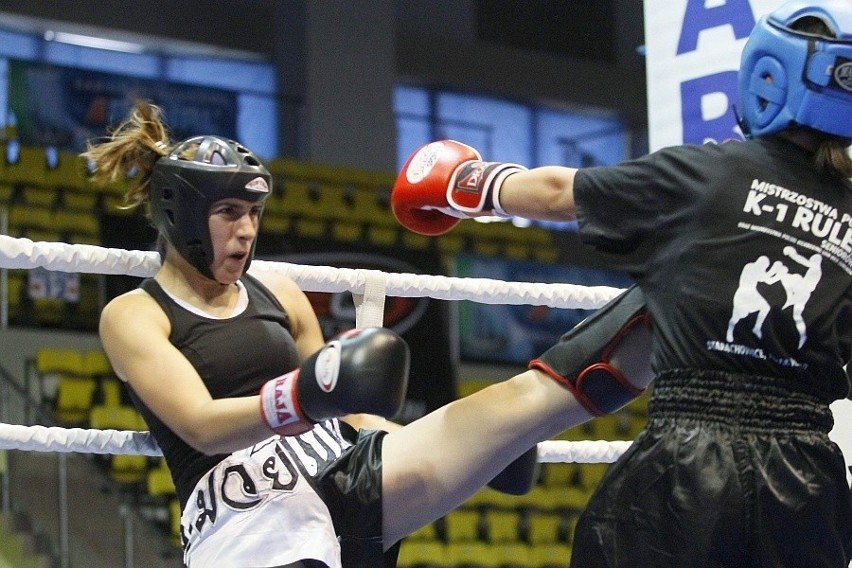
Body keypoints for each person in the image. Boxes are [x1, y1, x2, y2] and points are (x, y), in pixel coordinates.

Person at [84, 100, 655, 568]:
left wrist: (470, 452)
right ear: (182, 214)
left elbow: (348, 413)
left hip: (347, 473)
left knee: (521, 406)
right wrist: (303, 397)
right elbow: (202, 427)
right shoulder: (136, 314)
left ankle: (676, 293)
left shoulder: (278, 292)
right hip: (246, 514)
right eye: (230, 211)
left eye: (255, 212)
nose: (247, 230)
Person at [390, 1, 852, 566]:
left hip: (696, 455)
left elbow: (560, 191)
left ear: (764, 80)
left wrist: (464, 182)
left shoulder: (709, 173)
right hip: (811, 476)